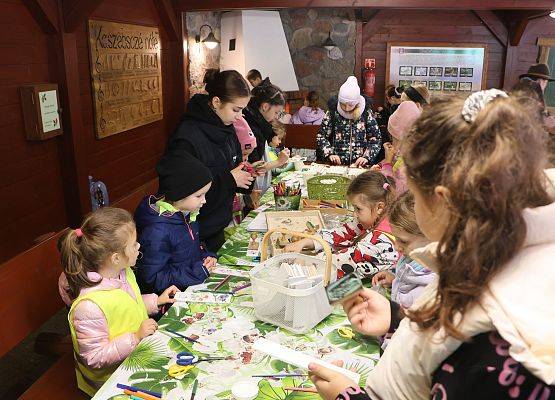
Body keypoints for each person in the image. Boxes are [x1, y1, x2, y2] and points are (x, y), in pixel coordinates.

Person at [306, 90, 555, 399]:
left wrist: (348, 397)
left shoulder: (508, 341)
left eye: (412, 191)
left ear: (442, 201)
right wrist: (398, 317)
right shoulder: (494, 249)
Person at [57, 207, 179, 396]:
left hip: (136, 359)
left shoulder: (122, 272)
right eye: (133, 245)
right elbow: (94, 357)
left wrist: (157, 301)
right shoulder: (88, 306)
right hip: (111, 381)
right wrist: (136, 337)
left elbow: (128, 305)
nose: (139, 247)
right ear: (115, 258)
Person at [164, 70, 254, 252]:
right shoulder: (187, 136)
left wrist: (245, 174)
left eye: (242, 110)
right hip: (193, 234)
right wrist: (230, 179)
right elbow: (182, 194)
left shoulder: (227, 127)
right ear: (216, 102)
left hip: (218, 227)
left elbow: (232, 171)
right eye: (236, 110)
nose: (240, 116)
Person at [285, 171, 398, 279]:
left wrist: (304, 261)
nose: (354, 214)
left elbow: (343, 261)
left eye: (358, 208)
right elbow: (342, 234)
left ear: (379, 207)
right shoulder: (375, 218)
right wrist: (306, 242)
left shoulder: (381, 241)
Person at [134, 153, 216, 294]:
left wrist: (206, 256)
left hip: (190, 287)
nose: (204, 201)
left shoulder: (186, 215)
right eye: (199, 196)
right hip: (170, 302)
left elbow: (193, 247)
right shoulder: (158, 231)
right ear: (179, 193)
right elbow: (152, 279)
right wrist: (196, 272)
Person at [372, 191, 434, 308]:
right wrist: (394, 279)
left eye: (403, 241)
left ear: (432, 236)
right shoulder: (410, 258)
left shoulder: (429, 289)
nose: (396, 247)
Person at [316, 76, 382, 167]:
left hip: (360, 165)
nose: (346, 108)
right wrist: (330, 154)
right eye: (343, 104)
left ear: (357, 102)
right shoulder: (332, 113)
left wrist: (366, 157)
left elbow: (375, 139)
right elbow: (321, 136)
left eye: (350, 105)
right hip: (337, 165)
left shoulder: (366, 113)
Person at [371, 100, 421, 194]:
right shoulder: (408, 153)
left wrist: (387, 163)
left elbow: (391, 190)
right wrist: (381, 167)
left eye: (393, 137)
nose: (391, 141)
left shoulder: (410, 164)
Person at [243, 82, 287, 163]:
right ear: (265, 106)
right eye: (276, 112)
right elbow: (254, 163)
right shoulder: (251, 126)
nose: (276, 117)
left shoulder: (261, 123)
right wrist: (278, 162)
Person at [253, 120, 290, 193]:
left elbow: (271, 166)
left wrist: (281, 163)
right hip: (257, 189)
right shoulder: (261, 146)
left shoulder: (271, 149)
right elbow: (260, 168)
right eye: (279, 138)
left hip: (263, 187)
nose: (280, 142)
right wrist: (280, 162)